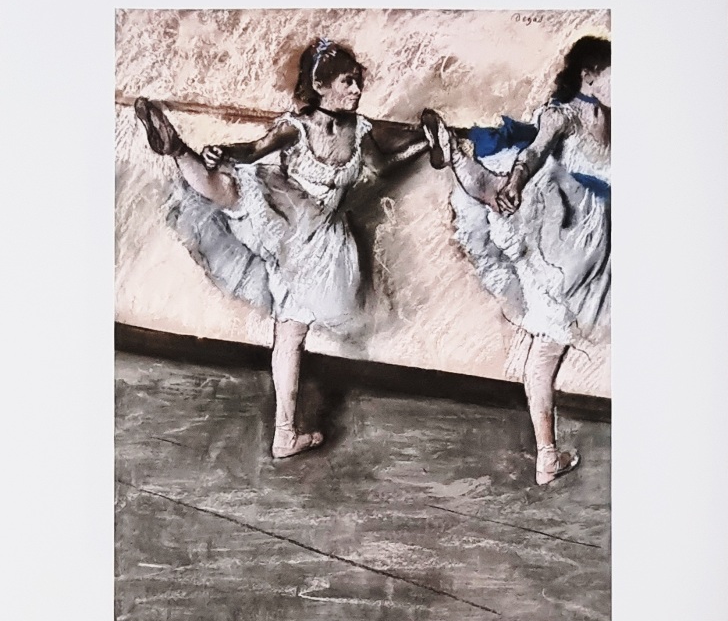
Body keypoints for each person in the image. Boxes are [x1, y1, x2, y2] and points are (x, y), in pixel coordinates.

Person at [135, 39, 428, 459]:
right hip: (295, 228)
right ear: (321, 86)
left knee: (289, 333)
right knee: (236, 189)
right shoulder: (297, 126)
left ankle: (285, 435)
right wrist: (225, 151)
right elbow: (254, 150)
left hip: (311, 245)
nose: (356, 89)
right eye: (347, 82)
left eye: (358, 82)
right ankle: (179, 150)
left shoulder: (360, 130)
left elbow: (382, 167)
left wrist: (425, 141)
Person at [420, 35, 611, 485]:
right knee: (528, 184)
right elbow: (536, 152)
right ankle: (473, 170)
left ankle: (547, 457)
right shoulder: (562, 114)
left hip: (587, 243)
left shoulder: (615, 116)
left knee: (548, 344)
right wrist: (519, 179)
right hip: (573, 234)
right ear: (588, 74)